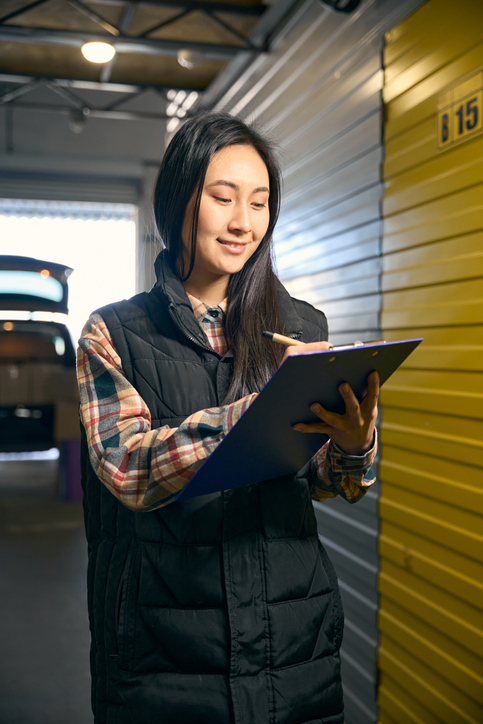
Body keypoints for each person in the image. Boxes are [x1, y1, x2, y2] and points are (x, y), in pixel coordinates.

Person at [77, 112, 378, 724]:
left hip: (294, 646)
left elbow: (323, 482)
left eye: (261, 203)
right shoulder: (114, 333)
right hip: (165, 655)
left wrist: (354, 445)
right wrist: (259, 411)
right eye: (223, 198)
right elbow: (131, 469)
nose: (244, 222)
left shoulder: (304, 329)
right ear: (179, 199)